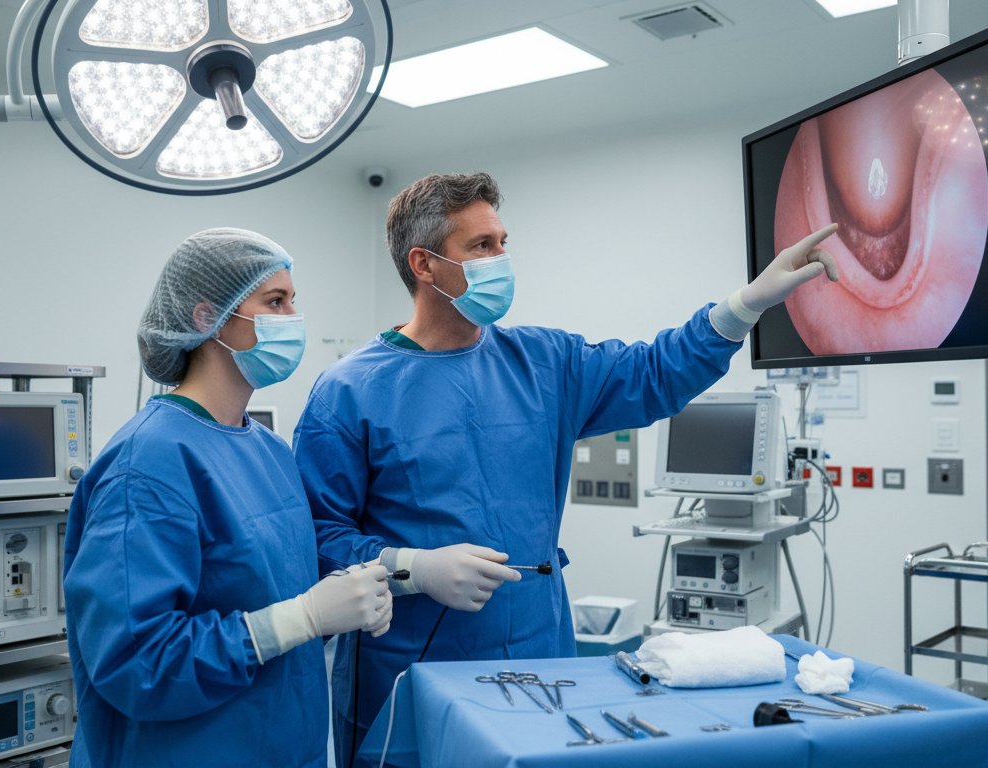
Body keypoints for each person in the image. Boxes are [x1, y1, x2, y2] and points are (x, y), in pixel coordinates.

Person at [292, 173, 839, 764]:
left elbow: (653, 372)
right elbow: (318, 540)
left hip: (539, 656)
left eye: (504, 242)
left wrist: (743, 306)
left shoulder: (544, 363)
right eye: (481, 246)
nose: (502, 258)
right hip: (406, 675)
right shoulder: (350, 391)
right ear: (424, 265)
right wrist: (411, 568)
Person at [64, 229, 393, 768]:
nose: (293, 317)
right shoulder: (148, 463)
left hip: (288, 744)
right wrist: (303, 619)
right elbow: (135, 660)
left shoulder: (267, 449)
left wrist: (347, 599)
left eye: (293, 300)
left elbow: (270, 584)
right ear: (204, 318)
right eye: (274, 302)